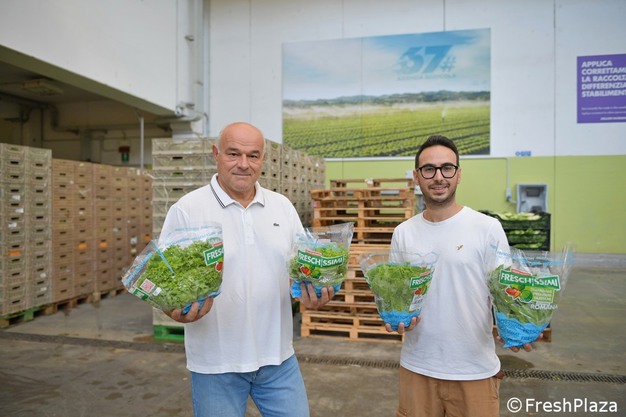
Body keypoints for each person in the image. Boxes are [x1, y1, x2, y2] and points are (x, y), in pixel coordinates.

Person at [159, 122, 334, 417]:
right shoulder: (188, 209)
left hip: (278, 358)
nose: (244, 164)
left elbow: (301, 271)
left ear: (263, 159)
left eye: (253, 155)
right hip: (216, 364)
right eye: (233, 154)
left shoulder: (282, 207)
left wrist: (313, 294)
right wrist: (171, 310)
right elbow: (165, 283)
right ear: (216, 154)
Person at [388, 134, 538, 417]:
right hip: (417, 366)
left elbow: (507, 290)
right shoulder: (403, 233)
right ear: (417, 177)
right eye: (429, 169)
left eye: (447, 168)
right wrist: (394, 318)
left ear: (458, 174)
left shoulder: (487, 228)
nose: (438, 177)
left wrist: (522, 323)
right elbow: (397, 295)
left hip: (474, 369)